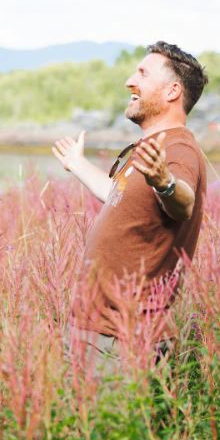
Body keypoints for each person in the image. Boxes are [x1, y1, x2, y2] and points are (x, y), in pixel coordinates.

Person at [52, 41, 208, 367]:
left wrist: (164, 182)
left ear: (172, 91)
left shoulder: (178, 150)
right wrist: (77, 164)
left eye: (142, 73)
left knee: (108, 419)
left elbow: (183, 203)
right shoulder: (149, 149)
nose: (129, 81)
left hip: (121, 336)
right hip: (97, 328)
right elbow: (117, 195)